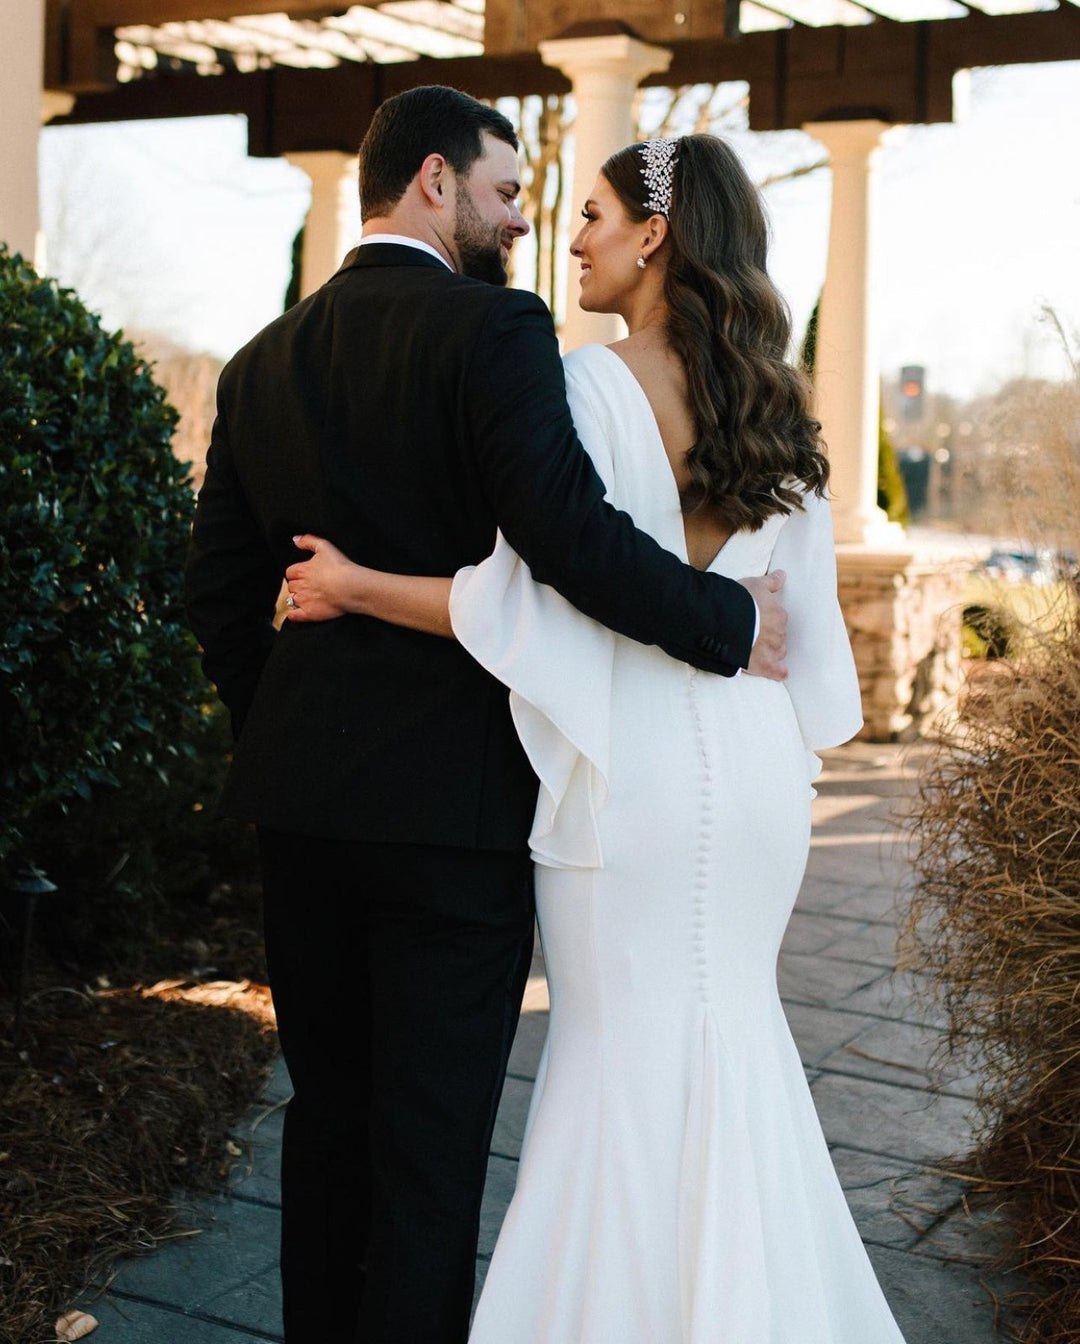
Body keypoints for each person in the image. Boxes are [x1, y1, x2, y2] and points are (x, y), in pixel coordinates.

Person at [185, 89, 791, 1344]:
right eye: (508, 192)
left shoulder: (260, 363)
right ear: (431, 184)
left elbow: (220, 594)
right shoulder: (494, 332)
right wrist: (728, 625)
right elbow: (567, 540)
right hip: (452, 811)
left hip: (301, 809)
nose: (525, 223)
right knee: (430, 1142)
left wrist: (287, 728)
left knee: (328, 1118)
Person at [283, 134, 909, 1343]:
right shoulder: (781, 402)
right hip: (765, 781)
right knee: (736, 1047)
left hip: (635, 785)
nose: (568, 239)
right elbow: (820, 672)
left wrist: (356, 585)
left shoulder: (584, 385)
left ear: (656, 234)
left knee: (612, 1069)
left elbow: (522, 598)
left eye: (594, 216)